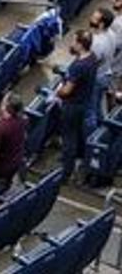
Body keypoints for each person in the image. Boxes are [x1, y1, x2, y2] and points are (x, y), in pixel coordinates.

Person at [58, 29, 99, 181]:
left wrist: (58, 92)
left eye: (74, 41)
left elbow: (67, 91)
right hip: (84, 102)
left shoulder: (78, 66)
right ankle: (79, 159)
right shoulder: (92, 58)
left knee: (69, 138)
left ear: (80, 45)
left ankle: (65, 172)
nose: (71, 43)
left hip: (72, 105)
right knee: (78, 133)